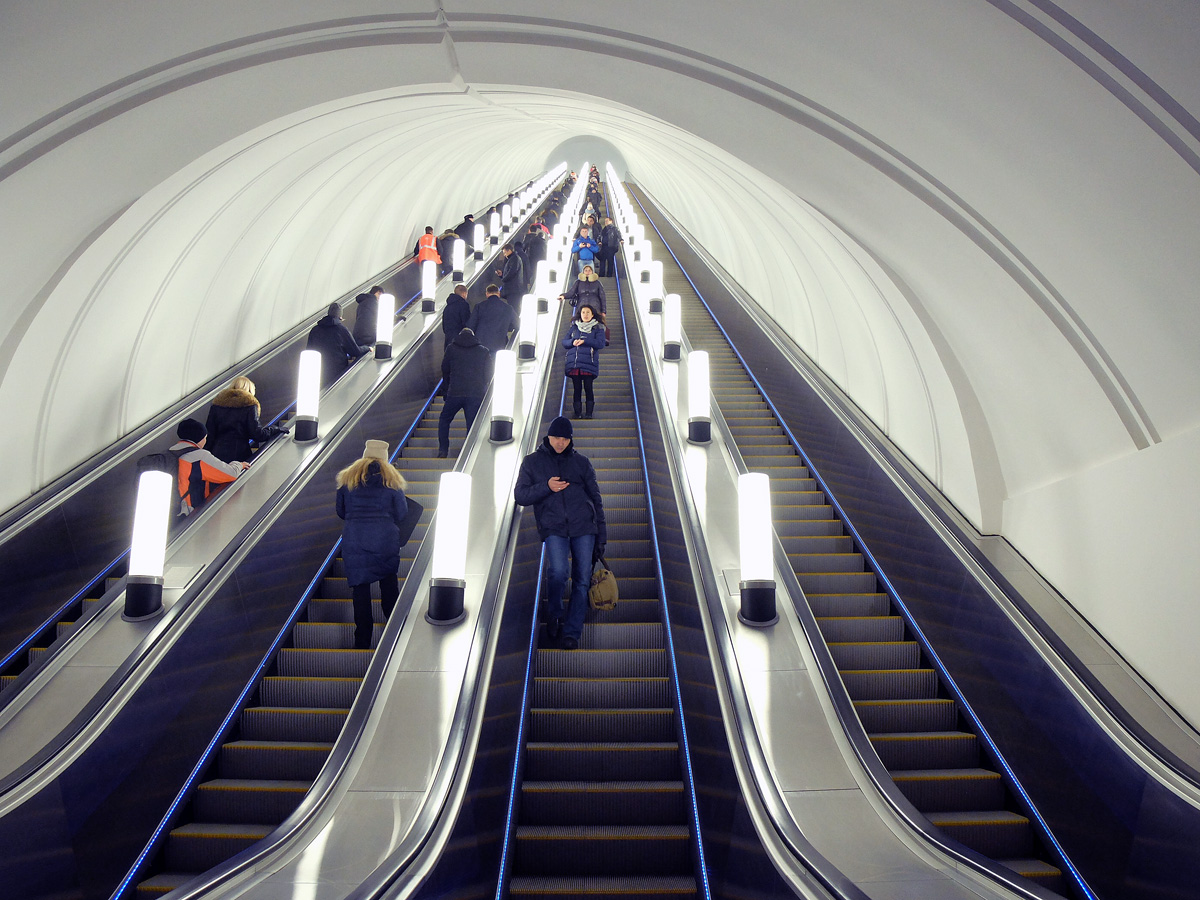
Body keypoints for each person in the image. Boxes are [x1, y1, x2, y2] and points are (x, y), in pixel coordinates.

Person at [513, 416, 606, 650]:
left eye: (565, 439)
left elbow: (596, 499)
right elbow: (520, 495)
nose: (560, 443)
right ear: (548, 436)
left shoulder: (581, 463)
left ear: (570, 439)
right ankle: (554, 613)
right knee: (558, 572)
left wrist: (601, 535)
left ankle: (572, 632)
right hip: (554, 527)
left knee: (583, 579)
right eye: (556, 438)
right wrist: (546, 487)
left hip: (584, 527)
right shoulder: (532, 462)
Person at [335, 440, 408, 650]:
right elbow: (402, 514)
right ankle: (396, 637)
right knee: (389, 588)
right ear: (385, 459)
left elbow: (340, 511)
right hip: (384, 541)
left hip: (355, 541)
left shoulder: (347, 481)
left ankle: (363, 641)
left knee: (360, 593)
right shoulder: (392, 482)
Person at [170, 418, 248, 516]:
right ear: (200, 438)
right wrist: (239, 464)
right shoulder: (199, 456)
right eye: (205, 437)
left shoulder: (170, 452)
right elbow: (231, 474)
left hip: (171, 512)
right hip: (189, 513)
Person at [204, 376, 288, 464]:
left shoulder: (217, 405)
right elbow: (257, 434)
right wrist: (275, 429)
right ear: (250, 390)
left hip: (216, 454)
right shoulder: (249, 405)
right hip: (239, 454)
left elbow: (209, 434)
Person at [438, 327, 491, 458]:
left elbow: (445, 370)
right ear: (474, 336)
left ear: (459, 335)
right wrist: (482, 386)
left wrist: (446, 390)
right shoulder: (483, 351)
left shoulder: (451, 349)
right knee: (472, 425)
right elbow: (489, 374)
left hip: (455, 392)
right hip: (475, 393)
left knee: (444, 420)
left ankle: (443, 450)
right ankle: (469, 452)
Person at [307, 302, 370, 386]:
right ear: (340, 316)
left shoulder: (315, 330)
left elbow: (309, 351)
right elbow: (355, 351)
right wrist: (367, 348)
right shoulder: (341, 330)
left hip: (318, 372)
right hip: (337, 372)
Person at [562, 303, 605, 419]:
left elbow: (601, 343)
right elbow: (564, 342)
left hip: (589, 363)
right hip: (575, 363)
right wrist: (572, 342)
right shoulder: (574, 327)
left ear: (592, 315)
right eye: (583, 312)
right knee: (576, 388)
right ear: (580, 314)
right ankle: (577, 413)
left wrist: (585, 341)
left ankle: (589, 413)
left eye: (588, 312)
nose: (585, 315)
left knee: (588, 387)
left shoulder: (597, 328)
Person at [466, 283, 519, 352]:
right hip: (499, 344)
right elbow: (518, 325)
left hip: (480, 344)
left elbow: (471, 325)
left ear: (487, 294)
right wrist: (508, 328)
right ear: (498, 293)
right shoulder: (508, 308)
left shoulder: (479, 306)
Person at [442, 283, 471, 348]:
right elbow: (466, 322)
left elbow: (444, 326)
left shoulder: (447, 307)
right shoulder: (464, 305)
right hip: (460, 340)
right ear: (464, 294)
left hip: (448, 340)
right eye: (466, 294)